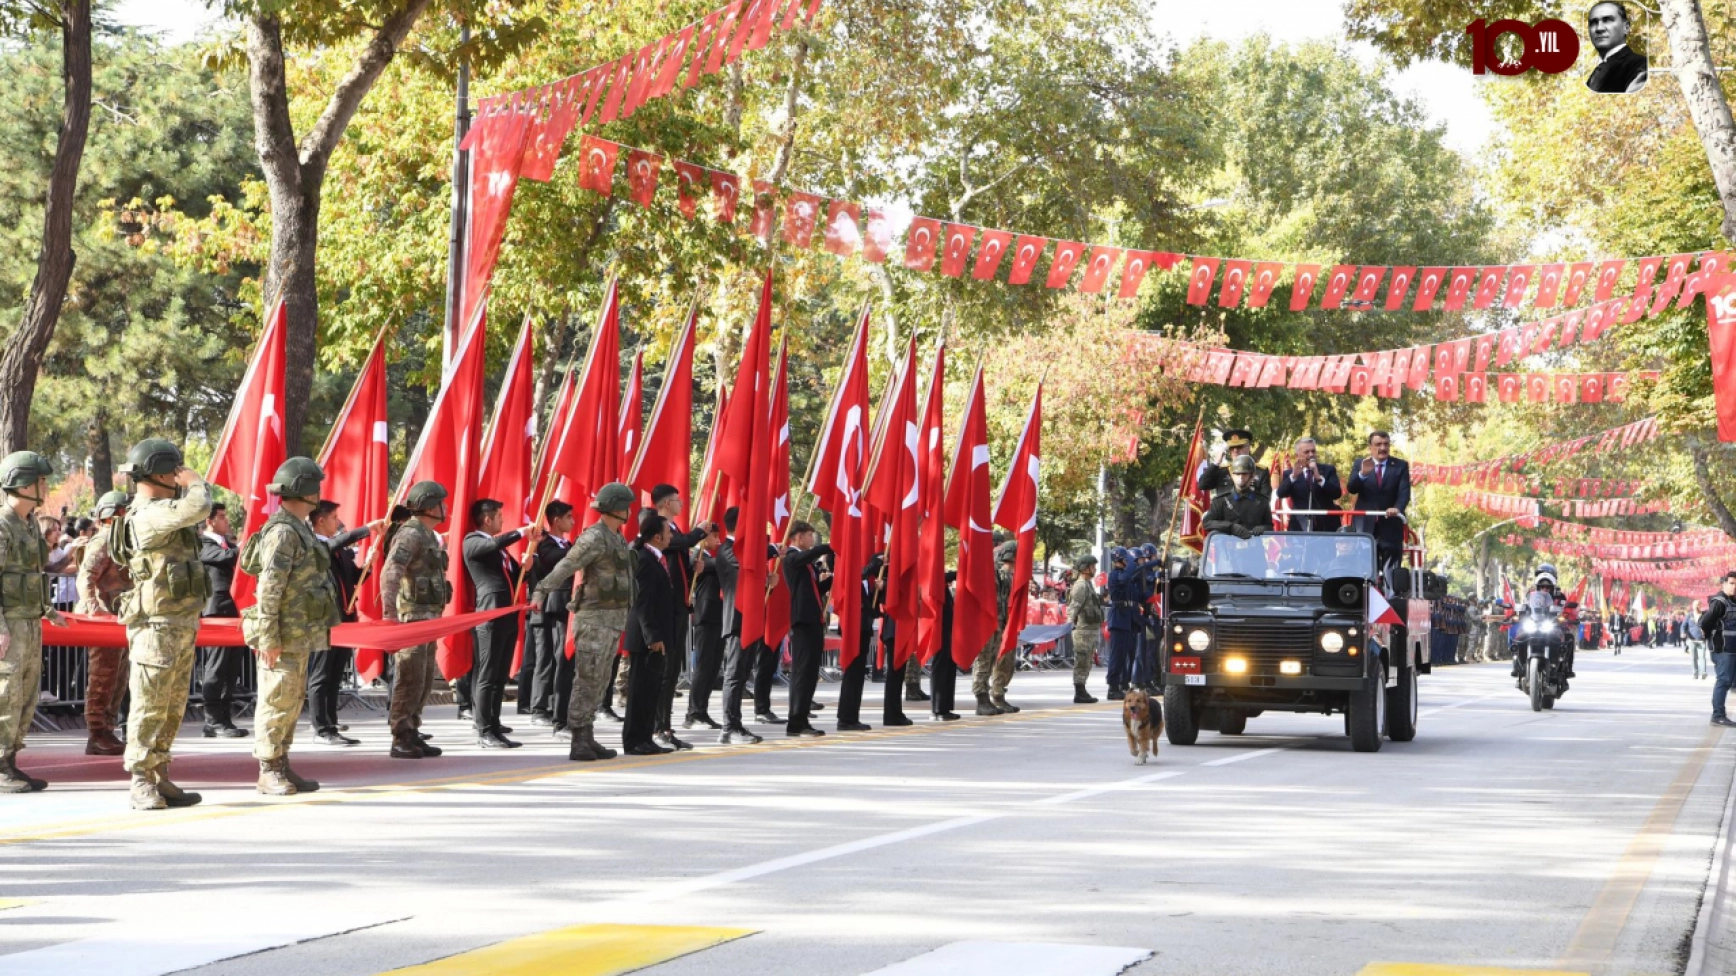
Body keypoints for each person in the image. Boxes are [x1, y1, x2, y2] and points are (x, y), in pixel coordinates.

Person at [114, 439, 213, 810]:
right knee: (150, 704)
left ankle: (159, 774)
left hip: (176, 622)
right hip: (155, 624)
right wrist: (196, 480)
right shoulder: (150, 513)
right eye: (174, 469)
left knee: (172, 706)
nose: (179, 475)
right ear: (158, 472)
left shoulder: (163, 509)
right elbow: (199, 505)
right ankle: (141, 779)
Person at [241, 458, 339, 796]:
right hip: (281, 633)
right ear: (305, 490)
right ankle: (268, 768)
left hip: (298, 631)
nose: (320, 491)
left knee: (292, 699)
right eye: (316, 486)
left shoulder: (298, 527)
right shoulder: (283, 531)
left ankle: (281, 762)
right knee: (276, 699)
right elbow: (269, 587)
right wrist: (268, 637)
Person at [532, 482, 638, 762]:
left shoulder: (616, 538)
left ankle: (588, 735)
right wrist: (542, 590)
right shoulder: (595, 537)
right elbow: (567, 565)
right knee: (587, 679)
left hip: (612, 619)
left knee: (601, 680)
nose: (629, 511)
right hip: (593, 620)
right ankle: (578, 738)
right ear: (616, 508)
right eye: (626, 506)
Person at [0, 452, 76, 792]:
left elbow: (32, 574)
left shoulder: (29, 523)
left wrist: (48, 611)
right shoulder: (3, 525)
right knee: (6, 693)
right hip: (10, 625)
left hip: (30, 620)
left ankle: (10, 761)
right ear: (23, 483)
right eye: (40, 480)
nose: (44, 486)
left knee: (25, 695)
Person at [378, 481, 452, 760]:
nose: (446, 507)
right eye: (442, 503)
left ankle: (413, 730)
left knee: (422, 680)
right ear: (431, 506)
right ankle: (400, 735)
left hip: (429, 616)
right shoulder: (411, 533)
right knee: (409, 678)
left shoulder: (428, 534)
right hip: (412, 616)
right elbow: (391, 571)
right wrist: (389, 615)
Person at [461, 498, 538, 748]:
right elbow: (493, 544)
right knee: (487, 673)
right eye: (499, 517)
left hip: (507, 612)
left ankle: (494, 725)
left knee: (499, 675)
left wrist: (527, 567)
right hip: (489, 612)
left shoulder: (500, 550)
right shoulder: (472, 541)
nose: (503, 521)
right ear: (487, 519)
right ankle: (483, 730)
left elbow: (516, 578)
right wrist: (520, 532)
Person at [307, 500, 380, 747]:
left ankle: (331, 723)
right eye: (334, 517)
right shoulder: (315, 545)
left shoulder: (337, 550)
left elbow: (352, 579)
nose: (337, 522)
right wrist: (365, 530)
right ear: (320, 521)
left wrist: (367, 565)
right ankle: (320, 727)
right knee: (321, 674)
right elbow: (332, 546)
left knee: (336, 673)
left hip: (343, 619)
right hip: (323, 620)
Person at [646, 485, 711, 752]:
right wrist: (699, 532)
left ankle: (665, 725)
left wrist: (692, 567)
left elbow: (678, 556)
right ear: (664, 503)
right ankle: (656, 726)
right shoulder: (657, 526)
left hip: (679, 605)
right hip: (666, 606)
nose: (681, 503)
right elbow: (675, 544)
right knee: (662, 671)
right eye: (677, 499)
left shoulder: (676, 530)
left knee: (672, 672)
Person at [76, 490, 133, 756]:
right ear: (114, 514)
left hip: (120, 619)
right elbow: (85, 576)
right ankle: (97, 732)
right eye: (125, 510)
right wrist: (92, 608)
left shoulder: (124, 539)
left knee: (119, 679)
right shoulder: (105, 539)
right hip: (105, 620)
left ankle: (107, 729)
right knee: (103, 677)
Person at [623, 514, 678, 755]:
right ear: (657, 536)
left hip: (656, 636)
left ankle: (645, 738)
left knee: (651, 690)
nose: (671, 535)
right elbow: (642, 602)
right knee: (640, 692)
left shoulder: (656, 558)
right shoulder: (644, 558)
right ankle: (634, 740)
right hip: (647, 639)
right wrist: (653, 636)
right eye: (668, 531)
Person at [523, 501, 575, 734]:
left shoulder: (567, 544)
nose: (572, 522)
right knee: (544, 658)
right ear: (556, 520)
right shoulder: (543, 545)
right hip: (544, 607)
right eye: (569, 517)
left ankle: (557, 704)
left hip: (562, 606)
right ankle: (539, 708)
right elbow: (555, 560)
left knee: (559, 657)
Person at [198, 503, 249, 739]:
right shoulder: (203, 543)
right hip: (216, 611)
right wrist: (245, 544)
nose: (226, 521)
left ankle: (225, 717)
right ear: (209, 521)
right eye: (221, 517)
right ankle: (212, 719)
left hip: (235, 610)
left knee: (231, 668)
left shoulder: (227, 543)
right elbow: (227, 558)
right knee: (216, 666)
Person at [781, 520, 833, 738]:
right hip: (802, 621)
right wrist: (829, 545)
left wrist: (830, 581)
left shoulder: (806, 563)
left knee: (810, 672)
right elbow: (805, 557)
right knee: (802, 672)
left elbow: (813, 589)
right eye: (810, 536)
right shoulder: (792, 557)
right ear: (798, 538)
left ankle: (801, 717)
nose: (812, 540)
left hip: (812, 619)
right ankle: (796, 721)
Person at [1345, 431, 1410, 579]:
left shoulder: (1400, 466)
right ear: (1370, 447)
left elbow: (1404, 493)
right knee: (1365, 570)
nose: (1382, 448)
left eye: (1386, 444)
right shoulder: (1360, 464)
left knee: (1391, 571)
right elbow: (1352, 488)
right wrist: (1362, 474)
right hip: (1365, 527)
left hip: (1390, 526)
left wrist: (1397, 508)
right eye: (1378, 444)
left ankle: (1390, 599)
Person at [683, 520, 726, 731]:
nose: (717, 541)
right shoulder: (698, 557)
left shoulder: (712, 558)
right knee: (703, 666)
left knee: (713, 667)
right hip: (705, 616)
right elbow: (710, 566)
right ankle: (693, 712)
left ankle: (703, 710)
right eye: (714, 536)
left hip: (718, 616)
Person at [970, 541, 1021, 715]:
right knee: (983, 660)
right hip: (985, 622)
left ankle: (996, 696)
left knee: (995, 660)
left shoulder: (1003, 575)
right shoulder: (987, 572)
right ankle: (981, 698)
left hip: (999, 622)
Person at [835, 555, 880, 732]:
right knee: (852, 673)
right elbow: (854, 578)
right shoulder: (853, 573)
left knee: (857, 674)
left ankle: (851, 716)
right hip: (853, 627)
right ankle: (846, 718)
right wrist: (874, 564)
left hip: (862, 628)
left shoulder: (866, 581)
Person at [1274, 437, 1343, 531]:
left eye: (1313, 451)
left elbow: (1337, 493)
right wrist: (1293, 476)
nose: (1311, 455)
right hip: (1300, 526)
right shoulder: (1289, 473)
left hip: (1326, 526)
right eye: (1307, 452)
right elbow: (1280, 493)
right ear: (1297, 455)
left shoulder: (1328, 470)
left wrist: (1319, 479)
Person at [1586, 2, 1647, 94]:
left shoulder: (1640, 64)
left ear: (1626, 28)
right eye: (1593, 22)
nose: (1599, 28)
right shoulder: (1597, 71)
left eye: (1607, 20)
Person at [1699, 574, 1736, 727]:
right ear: (1724, 584)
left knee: (1729, 681)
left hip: (1732, 647)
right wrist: (1709, 637)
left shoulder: (1732, 601)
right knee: (1724, 681)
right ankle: (1718, 715)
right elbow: (1705, 622)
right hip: (1722, 649)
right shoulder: (1719, 602)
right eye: (1732, 583)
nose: (1734, 586)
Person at [1068, 554, 1104, 704]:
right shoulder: (1081, 586)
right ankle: (1079, 691)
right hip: (1083, 630)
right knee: (1082, 661)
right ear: (1085, 568)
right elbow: (1073, 607)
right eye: (1092, 566)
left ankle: (1082, 689)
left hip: (1089, 630)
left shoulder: (1088, 584)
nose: (1095, 568)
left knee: (1087, 661)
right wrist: (1070, 623)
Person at [1196, 428, 1270, 500]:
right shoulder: (1221, 471)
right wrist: (1216, 463)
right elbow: (1202, 485)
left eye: (1239, 447)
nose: (1235, 450)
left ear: (1248, 447)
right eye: (1232, 447)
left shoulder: (1261, 472)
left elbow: (1265, 500)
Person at [929, 572, 961, 721]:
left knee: (948, 666)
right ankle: (939, 708)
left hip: (947, 629)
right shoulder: (934, 579)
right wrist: (956, 573)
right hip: (939, 628)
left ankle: (944, 707)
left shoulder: (943, 587)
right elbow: (936, 577)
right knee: (941, 666)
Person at [1687, 607, 1709, 679]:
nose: (1696, 607)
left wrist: (1706, 631)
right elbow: (1684, 625)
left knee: (1702, 657)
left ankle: (1703, 672)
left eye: (1698, 605)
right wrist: (1683, 632)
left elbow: (1709, 625)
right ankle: (1695, 673)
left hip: (1701, 640)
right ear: (1693, 607)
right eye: (1695, 605)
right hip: (1692, 640)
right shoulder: (1690, 615)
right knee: (1693, 658)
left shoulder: (1704, 615)